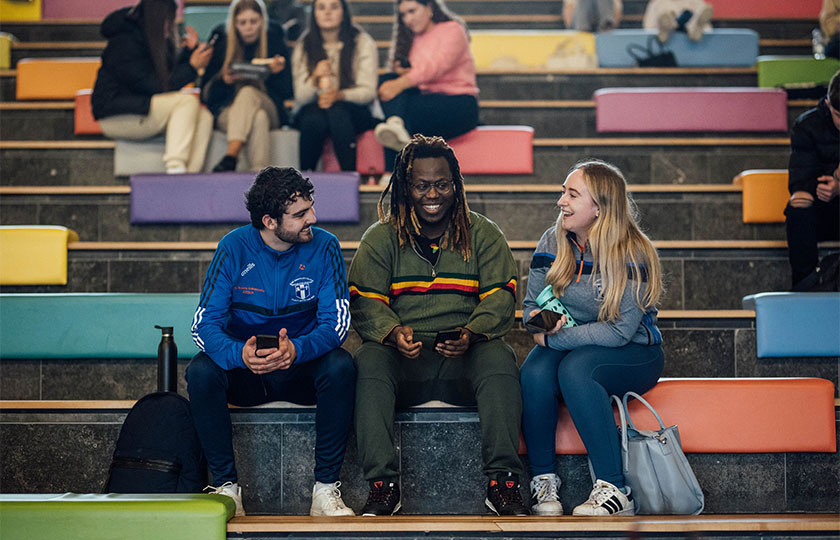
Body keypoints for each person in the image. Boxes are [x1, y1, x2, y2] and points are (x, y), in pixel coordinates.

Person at [348, 134, 527, 516]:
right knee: (368, 359)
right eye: (422, 185)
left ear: (456, 184)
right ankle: (383, 485)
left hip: (465, 354)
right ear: (405, 186)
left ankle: (504, 484)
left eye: (443, 184)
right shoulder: (381, 238)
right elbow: (364, 302)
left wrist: (472, 332)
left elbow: (501, 296)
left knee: (500, 357)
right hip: (404, 357)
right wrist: (393, 333)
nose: (434, 194)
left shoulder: (484, 234)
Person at [187, 166, 356, 517]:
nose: (313, 217)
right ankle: (226, 489)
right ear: (269, 221)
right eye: (300, 214)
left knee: (341, 365)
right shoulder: (233, 247)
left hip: (300, 371)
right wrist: (240, 355)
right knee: (201, 372)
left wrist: (298, 349)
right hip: (246, 374)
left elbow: (337, 326)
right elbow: (204, 326)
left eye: (310, 207)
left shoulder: (326, 246)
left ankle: (325, 491)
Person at [520, 160, 665, 517]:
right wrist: (542, 322)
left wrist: (555, 340)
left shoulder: (633, 250)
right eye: (562, 192)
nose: (561, 202)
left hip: (634, 351)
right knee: (534, 372)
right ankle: (544, 483)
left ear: (599, 208)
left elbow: (619, 331)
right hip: (573, 341)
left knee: (576, 370)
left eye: (572, 194)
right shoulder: (552, 240)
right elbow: (528, 309)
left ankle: (615, 489)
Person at [92, 0, 214, 174]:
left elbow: (166, 80)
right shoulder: (125, 43)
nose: (170, 26)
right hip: (118, 114)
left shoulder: (152, 40)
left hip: (142, 108)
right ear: (154, 18)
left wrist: (188, 53)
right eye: (166, 20)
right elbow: (153, 85)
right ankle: (175, 168)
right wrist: (192, 67)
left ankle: (189, 176)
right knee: (187, 102)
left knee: (205, 117)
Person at [373, 0, 479, 170]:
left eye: (412, 11)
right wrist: (401, 74)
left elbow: (435, 66)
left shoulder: (452, 29)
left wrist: (401, 82)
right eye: (403, 14)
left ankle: (392, 170)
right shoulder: (411, 39)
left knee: (399, 109)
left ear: (429, 8)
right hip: (425, 102)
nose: (407, 19)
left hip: (458, 103)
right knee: (387, 80)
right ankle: (395, 125)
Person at [200, 0, 293, 172]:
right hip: (230, 111)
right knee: (259, 118)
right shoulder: (222, 41)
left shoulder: (274, 37)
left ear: (262, 21)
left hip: (269, 104)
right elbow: (207, 95)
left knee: (248, 92)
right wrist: (223, 80)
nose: (249, 27)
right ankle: (262, 180)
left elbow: (288, 92)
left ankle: (231, 156)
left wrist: (278, 72)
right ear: (234, 24)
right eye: (243, 23)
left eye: (254, 21)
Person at [291, 0, 379, 172]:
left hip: (354, 109)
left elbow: (368, 91)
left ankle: (348, 179)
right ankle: (303, 184)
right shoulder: (304, 45)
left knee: (337, 111)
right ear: (314, 13)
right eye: (321, 7)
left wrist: (339, 95)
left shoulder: (362, 42)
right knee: (313, 117)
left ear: (343, 12)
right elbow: (301, 96)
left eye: (334, 7)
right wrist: (315, 79)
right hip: (314, 108)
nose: (327, 12)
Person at [785, 71, 840, 289]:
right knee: (799, 203)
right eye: (838, 115)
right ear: (827, 104)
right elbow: (800, 181)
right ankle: (804, 285)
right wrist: (832, 181)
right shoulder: (807, 125)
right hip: (823, 209)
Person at [642, 0, 713, 42]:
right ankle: (666, 27)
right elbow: (648, 27)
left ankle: (694, 28)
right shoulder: (658, 2)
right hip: (669, 33)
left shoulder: (694, 1)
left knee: (695, 19)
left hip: (688, 29)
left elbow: (648, 27)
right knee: (664, 18)